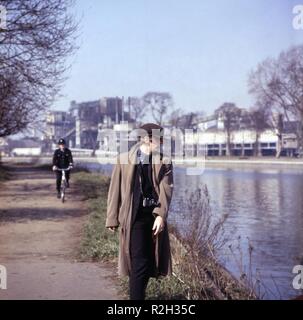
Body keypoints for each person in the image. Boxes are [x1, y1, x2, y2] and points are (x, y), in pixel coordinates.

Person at [106, 123, 174, 300]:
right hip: (133, 216)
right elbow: (114, 191)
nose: (160, 143)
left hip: (153, 218)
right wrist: (112, 218)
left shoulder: (164, 162)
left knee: (149, 263)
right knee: (139, 263)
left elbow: (166, 191)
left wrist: (160, 215)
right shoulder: (123, 160)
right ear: (145, 138)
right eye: (158, 139)